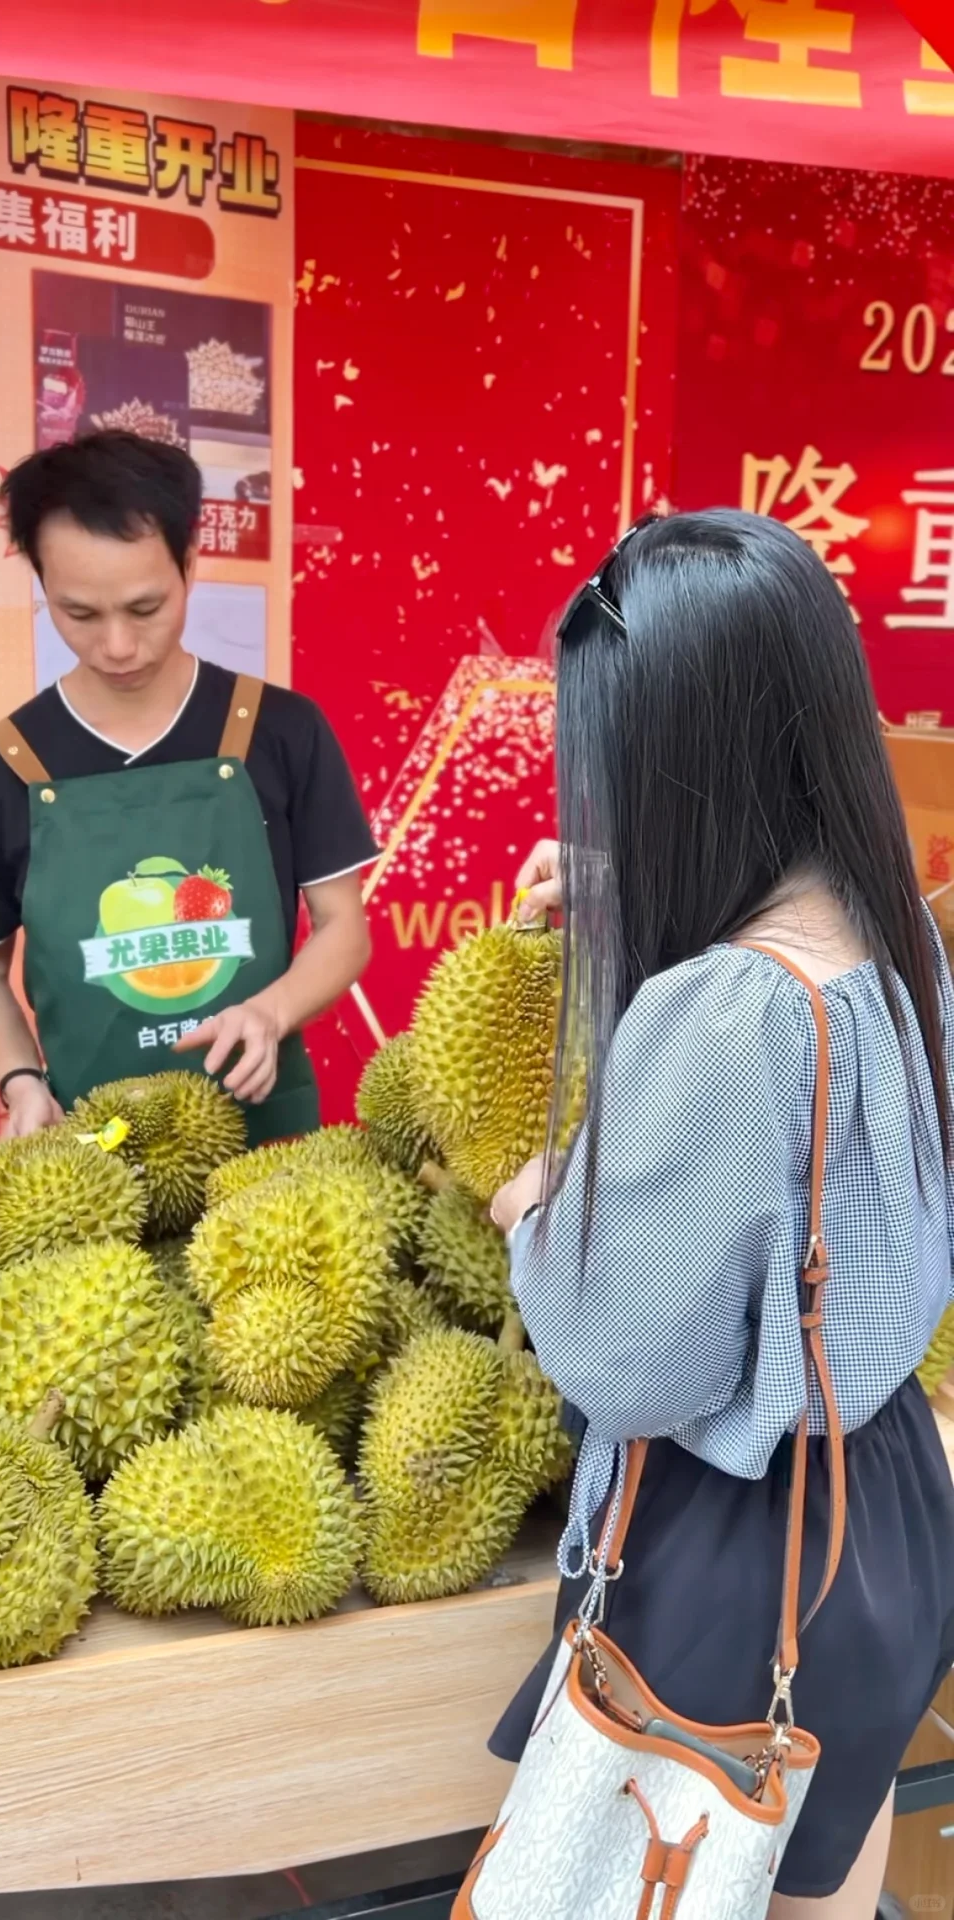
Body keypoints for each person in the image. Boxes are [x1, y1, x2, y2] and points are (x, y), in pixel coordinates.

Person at [490, 509, 954, 1919]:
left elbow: (631, 1361)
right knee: (817, 1877)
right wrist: (633, 903)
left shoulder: (717, 1014)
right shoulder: (905, 932)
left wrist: (536, 1217)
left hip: (737, 1549)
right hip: (884, 1513)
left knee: (669, 1868)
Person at [0, 432, 375, 1143]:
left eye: (145, 609)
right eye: (78, 613)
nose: (117, 646)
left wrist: (270, 1013)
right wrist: (20, 1082)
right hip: (91, 1159)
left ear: (190, 564)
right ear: (43, 583)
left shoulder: (279, 730)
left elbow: (344, 928)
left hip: (264, 1155)